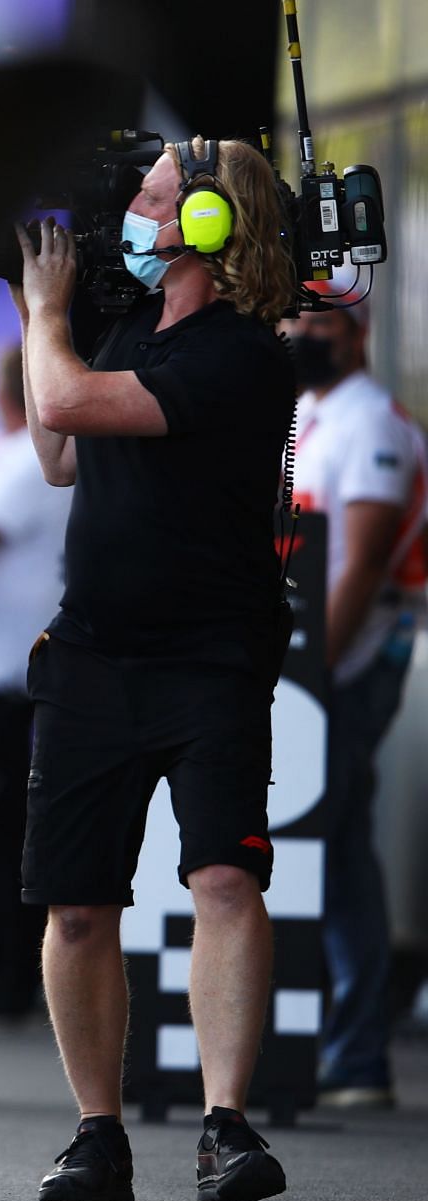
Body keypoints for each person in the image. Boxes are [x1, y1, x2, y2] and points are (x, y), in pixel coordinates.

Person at [14, 137, 297, 1201]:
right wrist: (31, 307)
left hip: (209, 655)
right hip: (92, 653)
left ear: (216, 223)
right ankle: (99, 1129)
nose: (134, 209)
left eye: (156, 194)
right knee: (78, 905)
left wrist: (47, 316)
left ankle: (226, 1124)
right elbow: (58, 452)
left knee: (224, 875)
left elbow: (72, 407)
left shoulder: (244, 352)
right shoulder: (128, 328)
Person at [285, 300, 428, 1110]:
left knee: (330, 844)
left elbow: (363, 563)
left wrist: (315, 673)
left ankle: (357, 1050)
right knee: (335, 844)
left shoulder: (373, 424)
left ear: (360, 332)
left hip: (355, 661)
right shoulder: (304, 414)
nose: (306, 336)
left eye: (324, 324)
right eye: (296, 321)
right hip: (309, 668)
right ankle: (352, 1051)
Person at [0, 343, 69, 1018]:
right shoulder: (62, 457)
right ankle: (11, 979)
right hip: (42, 673)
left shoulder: (20, 464)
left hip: (7, 680)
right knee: (21, 840)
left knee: (0, 842)